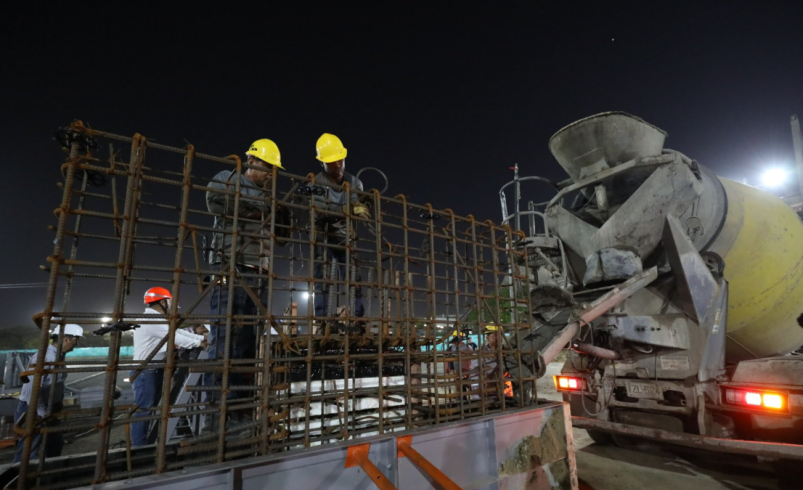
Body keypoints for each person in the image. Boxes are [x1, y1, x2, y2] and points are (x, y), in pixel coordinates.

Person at [204, 139, 289, 430]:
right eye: (269, 168)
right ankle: (217, 415)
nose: (271, 175)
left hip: (259, 272)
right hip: (231, 266)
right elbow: (217, 204)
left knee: (251, 345)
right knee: (226, 342)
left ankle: (241, 412)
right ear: (253, 161)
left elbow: (283, 234)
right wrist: (261, 211)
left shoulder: (270, 197)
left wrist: (278, 212)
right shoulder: (228, 179)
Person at [131, 287, 206, 446]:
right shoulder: (151, 320)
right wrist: (199, 342)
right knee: (144, 408)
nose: (173, 305)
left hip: (153, 369)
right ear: (162, 302)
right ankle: (139, 445)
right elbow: (175, 337)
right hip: (147, 370)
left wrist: (200, 338)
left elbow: (178, 332)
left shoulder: (157, 319)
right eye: (170, 302)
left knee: (150, 407)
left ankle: (143, 442)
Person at [311, 133, 368, 326]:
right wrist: (346, 210)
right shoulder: (316, 183)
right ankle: (323, 321)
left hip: (345, 238)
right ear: (322, 163)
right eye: (332, 162)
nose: (337, 165)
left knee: (354, 280)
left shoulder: (355, 183)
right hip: (322, 238)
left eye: (340, 160)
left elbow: (357, 201)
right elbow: (319, 211)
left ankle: (358, 320)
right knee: (323, 280)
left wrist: (361, 206)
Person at [14, 324, 83, 463]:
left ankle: (48, 476)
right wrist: (43, 413)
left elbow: (56, 385)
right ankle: (21, 481)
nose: (75, 345)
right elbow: (31, 391)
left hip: (48, 408)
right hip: (34, 410)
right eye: (75, 340)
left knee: (54, 445)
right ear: (65, 339)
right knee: (29, 449)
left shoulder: (58, 357)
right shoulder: (46, 357)